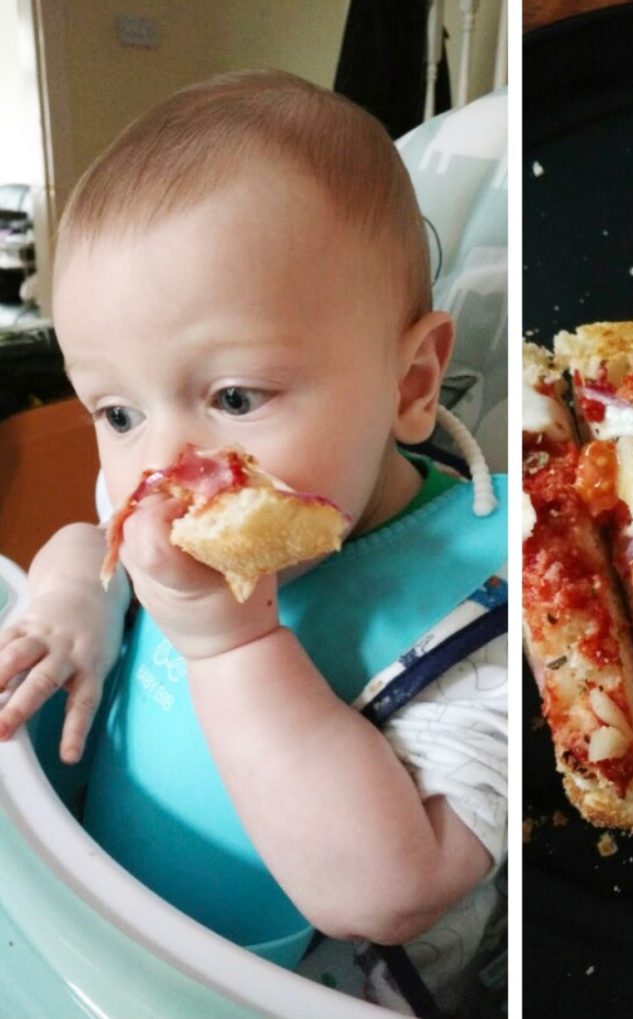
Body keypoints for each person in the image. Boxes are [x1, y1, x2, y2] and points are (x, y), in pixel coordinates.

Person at [0, 70, 507, 1009]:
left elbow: (385, 890)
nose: (162, 463)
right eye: (116, 411)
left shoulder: (485, 609)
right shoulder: (159, 481)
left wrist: (224, 642)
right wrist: (71, 592)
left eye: (235, 397)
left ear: (411, 384)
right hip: (75, 928)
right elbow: (90, 539)